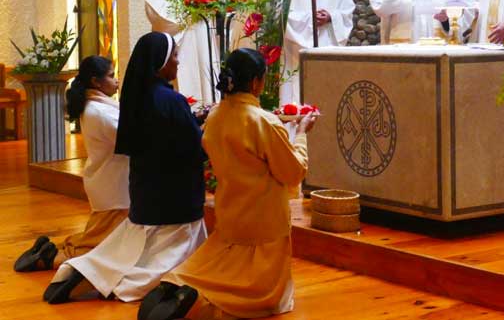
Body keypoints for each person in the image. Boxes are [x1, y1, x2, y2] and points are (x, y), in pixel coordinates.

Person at [137, 48, 317, 320]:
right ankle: (201, 300)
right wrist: (301, 133)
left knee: (216, 265)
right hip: (264, 220)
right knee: (262, 293)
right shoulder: (263, 122)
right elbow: (293, 172)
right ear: (255, 82)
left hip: (231, 213)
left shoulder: (217, 115)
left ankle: (178, 284)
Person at [43, 32, 208, 304]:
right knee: (165, 258)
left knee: (131, 249)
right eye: (175, 56)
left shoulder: (137, 97)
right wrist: (208, 131)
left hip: (143, 189)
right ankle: (139, 286)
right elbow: (192, 147)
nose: (178, 62)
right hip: (174, 195)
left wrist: (191, 121)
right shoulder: (170, 100)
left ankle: (88, 270)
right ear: (160, 62)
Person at [13, 56, 129, 272]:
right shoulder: (99, 111)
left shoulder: (98, 106)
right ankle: (51, 258)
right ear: (96, 82)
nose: (116, 81)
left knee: (104, 240)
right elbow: (131, 140)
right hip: (114, 187)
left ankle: (52, 252)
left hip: (110, 183)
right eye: (112, 76)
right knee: (101, 247)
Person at [280, 0, 355, 106]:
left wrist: (331, 17)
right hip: (297, 52)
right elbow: (283, 16)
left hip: (327, 47)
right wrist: (309, 19)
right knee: (299, 95)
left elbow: (347, 13)